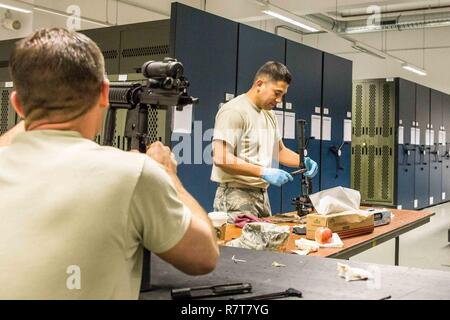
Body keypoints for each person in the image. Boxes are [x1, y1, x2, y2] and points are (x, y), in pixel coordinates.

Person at [0, 28, 219, 299]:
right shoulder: (134, 173)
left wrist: (39, 107)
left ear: (17, 105)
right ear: (105, 93)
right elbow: (204, 256)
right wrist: (167, 174)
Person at [211, 61, 318, 221]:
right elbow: (221, 157)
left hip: (261, 195)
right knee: (239, 246)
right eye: (277, 93)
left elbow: (279, 151)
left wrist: (303, 161)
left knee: (268, 244)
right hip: (236, 196)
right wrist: (264, 172)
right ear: (259, 84)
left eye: (282, 95)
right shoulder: (234, 111)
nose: (279, 100)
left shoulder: (269, 114)